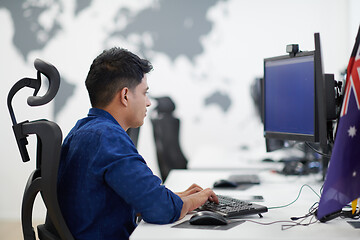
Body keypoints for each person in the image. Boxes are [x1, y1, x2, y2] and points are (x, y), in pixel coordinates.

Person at [57, 47, 218, 240]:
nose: (148, 102)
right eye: (144, 93)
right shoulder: (108, 138)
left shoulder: (84, 130)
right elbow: (161, 210)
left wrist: (179, 198)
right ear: (125, 96)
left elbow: (124, 198)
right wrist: (198, 199)